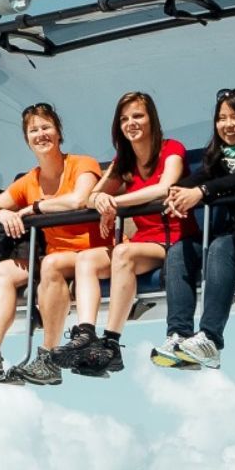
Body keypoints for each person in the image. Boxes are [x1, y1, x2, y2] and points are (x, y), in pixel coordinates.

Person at [0, 102, 109, 385]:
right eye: (34, 131)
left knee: (51, 265)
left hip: (92, 252)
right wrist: (1, 213)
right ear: (27, 139)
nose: (41, 134)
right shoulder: (29, 180)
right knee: (4, 270)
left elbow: (78, 200)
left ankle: (48, 358)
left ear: (58, 133)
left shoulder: (82, 164)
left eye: (46, 127)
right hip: (56, 257)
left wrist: (35, 207)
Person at [151, 87, 235, 369]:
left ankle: (210, 339)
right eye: (222, 119)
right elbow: (202, 175)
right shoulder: (220, 154)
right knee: (180, 250)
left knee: (221, 247)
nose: (228, 125)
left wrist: (202, 191)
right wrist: (176, 193)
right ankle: (178, 334)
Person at [67, 91, 185, 376]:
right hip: (141, 242)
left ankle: (111, 343)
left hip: (171, 239)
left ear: (151, 119)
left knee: (122, 252)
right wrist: (100, 200)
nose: (131, 123)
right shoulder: (124, 161)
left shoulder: (171, 149)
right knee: (85, 260)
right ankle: (86, 334)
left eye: (138, 116)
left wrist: (115, 203)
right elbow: (91, 196)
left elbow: (163, 188)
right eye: (124, 119)